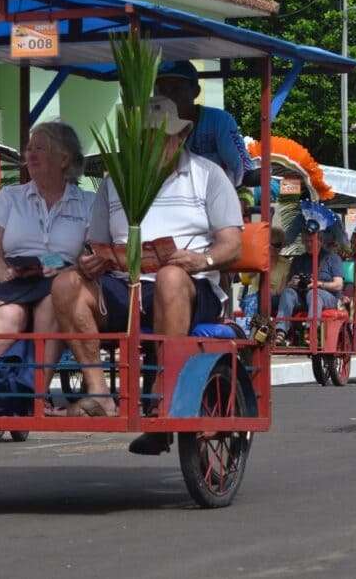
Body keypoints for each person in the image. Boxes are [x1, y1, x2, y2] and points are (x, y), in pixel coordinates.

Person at [53, 95, 242, 450]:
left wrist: (203, 261)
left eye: (163, 137)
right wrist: (92, 260)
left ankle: (161, 396)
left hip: (189, 287)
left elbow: (232, 243)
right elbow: (94, 243)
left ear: (180, 136)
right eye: (146, 138)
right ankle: (98, 392)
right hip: (124, 284)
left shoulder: (207, 176)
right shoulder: (115, 181)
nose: (154, 145)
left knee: (171, 277)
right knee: (66, 284)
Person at [0, 121, 93, 416]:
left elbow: (91, 252)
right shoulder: (10, 197)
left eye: (40, 147)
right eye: (29, 148)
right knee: (9, 313)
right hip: (11, 275)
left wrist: (58, 266)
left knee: (53, 302)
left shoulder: (87, 203)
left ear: (64, 158)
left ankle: (36, 394)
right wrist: (1, 272)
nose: (31, 153)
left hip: (61, 277)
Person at [154, 60, 251, 187]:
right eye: (162, 90)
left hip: (215, 197)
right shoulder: (151, 125)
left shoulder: (219, 120)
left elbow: (242, 169)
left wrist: (244, 196)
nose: (169, 96)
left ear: (196, 92)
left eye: (176, 88)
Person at [272, 233, 344, 346]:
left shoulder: (332, 258)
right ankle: (280, 330)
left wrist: (318, 284)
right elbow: (288, 283)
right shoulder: (299, 260)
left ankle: (311, 330)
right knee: (288, 292)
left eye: (312, 241)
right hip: (303, 296)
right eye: (306, 241)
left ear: (320, 241)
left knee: (313, 293)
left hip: (327, 297)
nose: (309, 244)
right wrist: (292, 283)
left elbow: (338, 285)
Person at [239, 225, 290, 315]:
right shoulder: (257, 259)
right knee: (254, 301)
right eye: (270, 244)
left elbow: (282, 289)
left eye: (277, 245)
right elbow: (245, 278)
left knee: (267, 301)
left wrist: (270, 292)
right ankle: (251, 327)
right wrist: (260, 262)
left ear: (281, 246)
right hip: (254, 296)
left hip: (275, 298)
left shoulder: (286, 264)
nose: (273, 248)